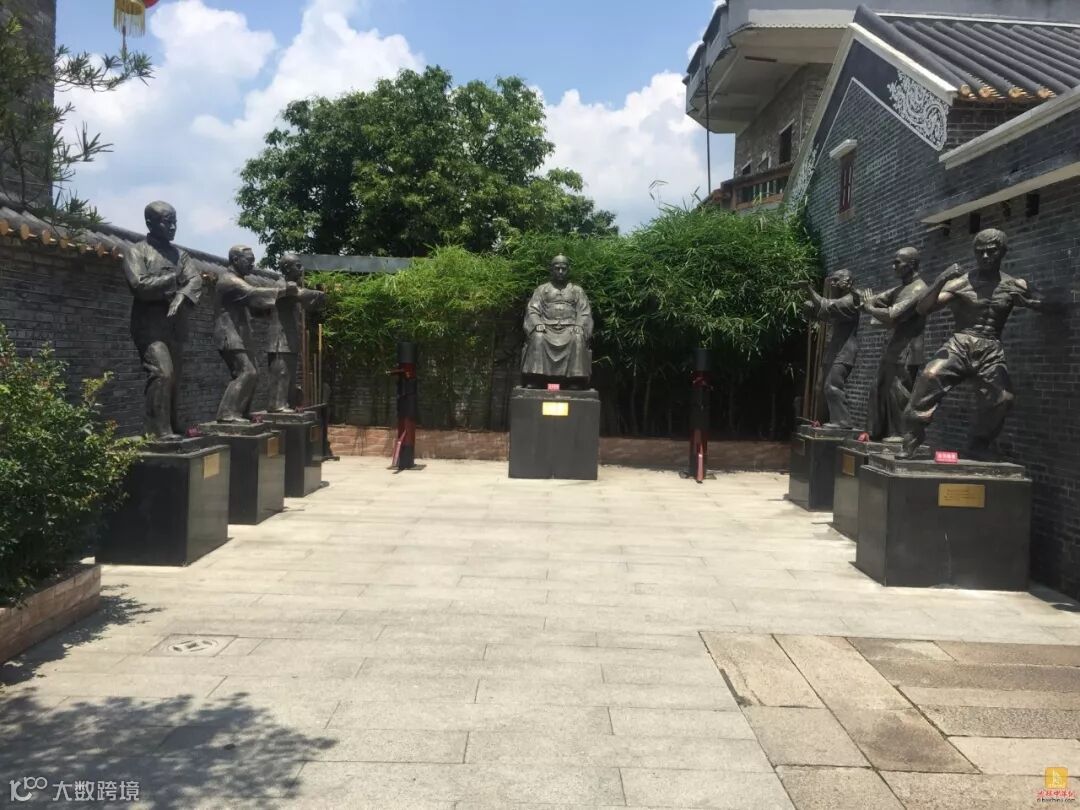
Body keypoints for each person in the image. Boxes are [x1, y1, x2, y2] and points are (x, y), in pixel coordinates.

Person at [899, 228, 1056, 460]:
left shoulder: (1014, 284)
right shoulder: (962, 283)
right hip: (960, 343)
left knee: (1003, 398)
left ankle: (978, 444)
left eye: (991, 251)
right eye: (979, 251)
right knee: (929, 377)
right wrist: (941, 280)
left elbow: (1048, 304)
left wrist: (1033, 300)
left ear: (1003, 252)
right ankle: (911, 440)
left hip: (991, 347)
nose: (984, 256)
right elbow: (923, 308)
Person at [122, 201, 202, 440]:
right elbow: (139, 285)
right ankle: (157, 430)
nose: (173, 227)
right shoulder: (136, 251)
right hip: (149, 327)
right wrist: (173, 279)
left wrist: (181, 296)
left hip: (175, 326)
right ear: (150, 223)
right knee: (162, 373)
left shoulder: (180, 254)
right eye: (167, 222)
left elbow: (195, 280)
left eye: (175, 222)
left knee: (175, 377)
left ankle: (173, 424)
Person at [213, 245, 294, 422]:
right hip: (229, 334)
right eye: (249, 261)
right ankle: (227, 413)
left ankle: (241, 412)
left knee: (253, 373)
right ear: (235, 260)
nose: (252, 265)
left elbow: (252, 306)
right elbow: (252, 294)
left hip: (240, 335)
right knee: (247, 372)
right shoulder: (229, 280)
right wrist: (284, 291)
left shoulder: (239, 279)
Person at [859, 247, 927, 441]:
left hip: (908, 349)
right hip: (895, 347)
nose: (893, 267)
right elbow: (875, 300)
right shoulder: (901, 288)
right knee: (879, 386)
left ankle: (900, 434)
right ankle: (876, 432)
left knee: (898, 390)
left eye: (897, 262)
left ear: (911, 264)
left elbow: (892, 315)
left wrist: (869, 308)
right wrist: (863, 299)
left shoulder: (918, 288)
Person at [266, 253, 326, 412]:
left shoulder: (292, 286)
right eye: (298, 266)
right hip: (280, 339)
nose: (302, 269)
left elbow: (308, 303)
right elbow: (302, 294)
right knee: (282, 373)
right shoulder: (283, 286)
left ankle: (285, 403)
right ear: (287, 268)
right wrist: (321, 294)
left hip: (289, 338)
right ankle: (277, 405)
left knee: (289, 374)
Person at [521, 255, 593, 388]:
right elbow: (532, 310)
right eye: (557, 268)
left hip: (570, 328)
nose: (560, 272)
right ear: (551, 270)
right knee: (538, 336)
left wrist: (579, 325)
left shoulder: (577, 290)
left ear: (568, 270)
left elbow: (584, 312)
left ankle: (575, 379)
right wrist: (537, 323)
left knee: (577, 337)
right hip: (546, 328)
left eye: (563, 269)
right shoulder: (542, 290)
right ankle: (535, 378)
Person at [800, 269, 861, 428]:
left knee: (833, 385)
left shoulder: (851, 300)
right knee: (821, 387)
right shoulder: (840, 300)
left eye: (835, 280)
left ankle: (843, 422)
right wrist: (811, 309)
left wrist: (808, 289)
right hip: (834, 350)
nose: (832, 283)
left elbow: (827, 305)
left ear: (847, 281)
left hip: (844, 351)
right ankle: (828, 420)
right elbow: (824, 313)